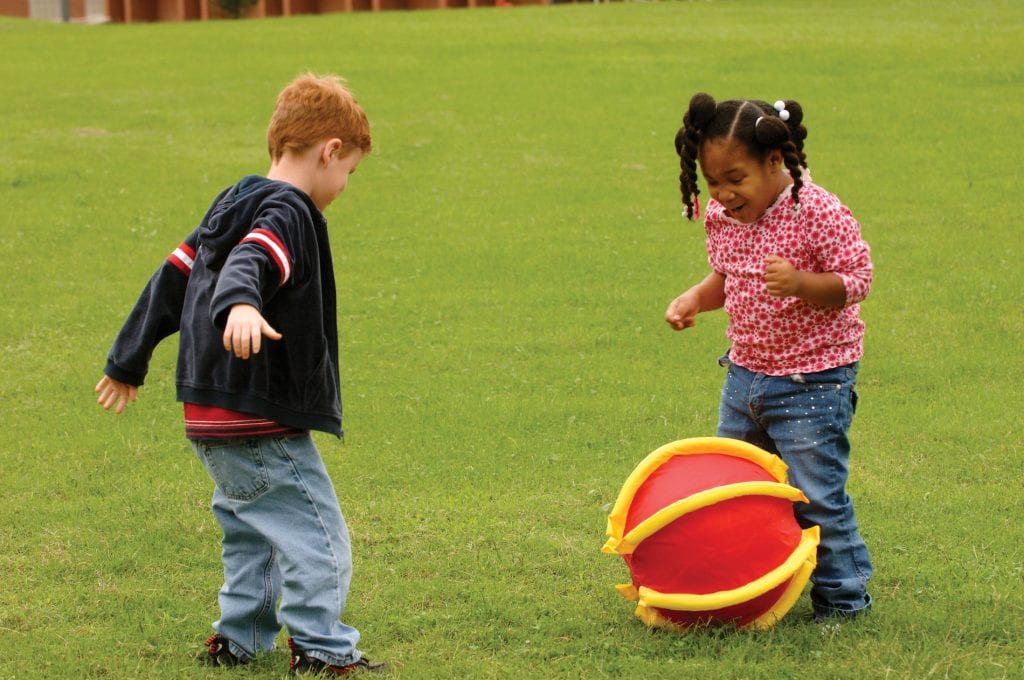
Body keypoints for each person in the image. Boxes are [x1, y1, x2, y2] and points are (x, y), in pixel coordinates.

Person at [95, 73, 387, 675]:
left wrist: (128, 359)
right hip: (258, 411)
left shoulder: (231, 199)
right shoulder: (289, 211)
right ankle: (323, 651)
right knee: (318, 537)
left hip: (208, 413)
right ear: (330, 150)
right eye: (349, 172)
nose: (344, 185)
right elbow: (255, 259)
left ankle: (240, 639)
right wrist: (243, 305)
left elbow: (172, 277)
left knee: (253, 529)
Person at [664, 93, 874, 622]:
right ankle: (748, 582)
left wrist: (802, 283)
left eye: (735, 179)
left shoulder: (817, 211)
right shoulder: (721, 214)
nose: (723, 194)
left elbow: (857, 280)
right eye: (713, 182)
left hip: (813, 381)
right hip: (744, 376)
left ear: (774, 161)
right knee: (736, 489)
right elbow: (726, 278)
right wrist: (695, 298)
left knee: (815, 496)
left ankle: (844, 599)